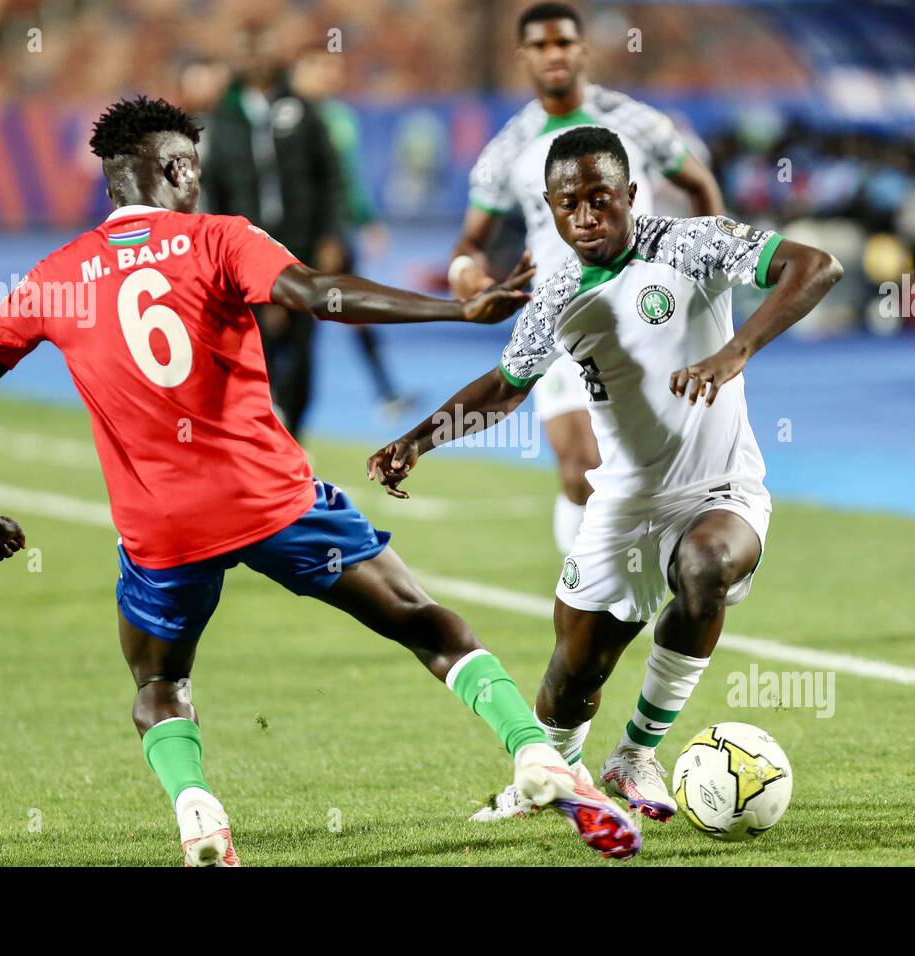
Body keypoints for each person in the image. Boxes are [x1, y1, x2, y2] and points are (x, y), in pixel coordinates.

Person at [0, 96, 641, 865]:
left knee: (159, 682)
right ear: (175, 169)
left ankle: (197, 810)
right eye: (193, 171)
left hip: (163, 529)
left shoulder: (58, 275)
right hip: (273, 502)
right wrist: (453, 308)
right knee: (428, 626)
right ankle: (535, 754)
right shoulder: (220, 240)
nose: (197, 184)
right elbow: (319, 295)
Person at [370, 127, 842, 822]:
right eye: (570, 205)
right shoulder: (557, 295)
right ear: (551, 208)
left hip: (721, 490)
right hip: (624, 504)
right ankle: (554, 778)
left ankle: (636, 753)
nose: (587, 216)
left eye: (601, 198)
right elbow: (505, 387)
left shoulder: (694, 243)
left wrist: (735, 351)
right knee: (574, 673)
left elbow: (818, 266)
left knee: (706, 567)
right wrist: (419, 439)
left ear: (630, 193)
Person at [448, 2, 724, 555]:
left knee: (650, 470)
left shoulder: (636, 122)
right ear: (522, 56)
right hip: (564, 315)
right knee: (582, 470)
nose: (555, 55)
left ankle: (645, 581)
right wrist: (467, 276)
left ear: (583, 50)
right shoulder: (508, 148)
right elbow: (469, 242)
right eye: (542, 46)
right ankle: (585, 597)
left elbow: (699, 186)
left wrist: (705, 277)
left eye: (565, 43)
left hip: (649, 312)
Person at [202, 30, 347, 433]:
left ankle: (294, 430)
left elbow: (331, 176)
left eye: (264, 46)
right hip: (244, 254)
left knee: (301, 349)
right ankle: (260, 433)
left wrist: (331, 235)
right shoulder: (224, 117)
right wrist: (217, 249)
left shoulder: (302, 110)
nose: (256, 57)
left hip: (300, 248)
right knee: (253, 346)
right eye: (248, 48)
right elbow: (212, 187)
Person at [290, 45, 411, 416]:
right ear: (300, 70)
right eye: (321, 67)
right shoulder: (286, 116)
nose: (330, 75)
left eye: (334, 68)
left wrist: (366, 220)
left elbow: (348, 179)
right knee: (294, 317)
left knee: (352, 309)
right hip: (296, 232)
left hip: (336, 231)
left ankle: (386, 390)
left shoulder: (341, 118)